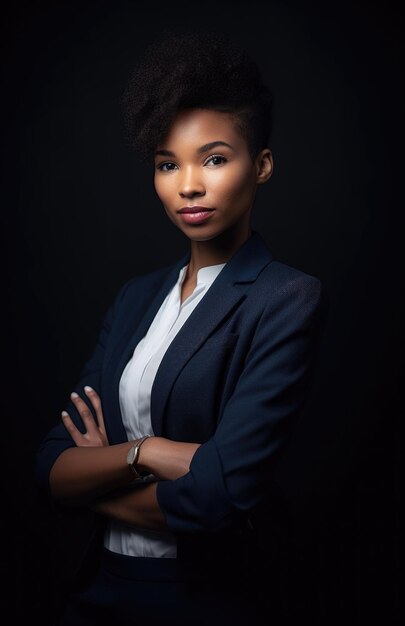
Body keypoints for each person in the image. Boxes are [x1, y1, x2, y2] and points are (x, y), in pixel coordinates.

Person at [36, 30, 327, 626]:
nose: (187, 184)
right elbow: (53, 468)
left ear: (262, 165)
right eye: (168, 164)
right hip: (99, 589)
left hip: (203, 600)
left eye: (214, 158)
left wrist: (105, 471)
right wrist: (152, 452)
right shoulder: (137, 296)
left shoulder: (285, 297)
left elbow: (217, 502)